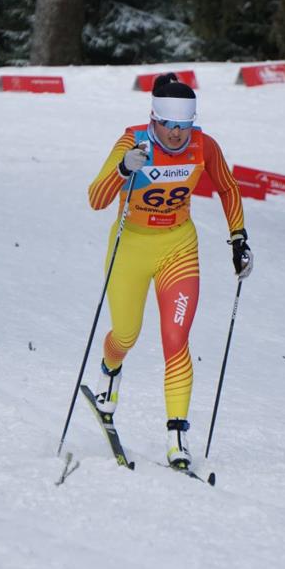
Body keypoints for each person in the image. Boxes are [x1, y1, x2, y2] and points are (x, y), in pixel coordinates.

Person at [87, 73, 253, 469]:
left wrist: (238, 238)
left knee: (176, 338)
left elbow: (229, 187)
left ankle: (177, 437)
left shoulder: (203, 145)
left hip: (178, 246)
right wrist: (124, 170)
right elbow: (96, 198)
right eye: (169, 126)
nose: (177, 135)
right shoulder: (133, 142)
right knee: (126, 333)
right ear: (153, 118)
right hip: (131, 246)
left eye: (185, 126)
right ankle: (110, 370)